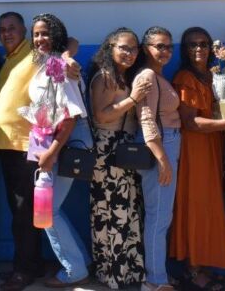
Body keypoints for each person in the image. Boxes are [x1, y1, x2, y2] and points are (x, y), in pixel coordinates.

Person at [22, 13, 93, 288]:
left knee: (46, 211)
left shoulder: (59, 66)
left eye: (45, 33)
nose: (39, 39)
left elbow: (72, 115)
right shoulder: (50, 62)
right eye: (36, 34)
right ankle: (81, 260)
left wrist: (52, 152)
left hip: (65, 144)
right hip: (53, 143)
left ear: (56, 36)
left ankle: (74, 270)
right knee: (50, 210)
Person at [170, 27, 225, 289]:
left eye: (204, 44)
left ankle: (204, 263)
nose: (199, 49)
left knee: (210, 207)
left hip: (213, 146)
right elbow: (190, 122)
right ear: (185, 50)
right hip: (195, 150)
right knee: (195, 207)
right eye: (193, 44)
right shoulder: (185, 77)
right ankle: (193, 269)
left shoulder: (215, 74)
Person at [0, 12, 45, 291]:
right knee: (21, 211)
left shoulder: (35, 55)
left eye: (12, 28)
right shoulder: (9, 60)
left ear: (25, 30)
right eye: (2, 29)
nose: (6, 32)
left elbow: (62, 50)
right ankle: (29, 264)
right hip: (8, 146)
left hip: (26, 146)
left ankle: (24, 271)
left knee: (24, 212)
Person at [87, 27, 145, 289]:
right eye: (124, 47)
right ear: (110, 47)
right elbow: (102, 116)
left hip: (125, 150)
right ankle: (111, 273)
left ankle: (128, 271)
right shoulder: (105, 77)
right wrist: (133, 99)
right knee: (110, 211)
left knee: (128, 209)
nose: (129, 53)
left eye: (134, 49)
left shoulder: (122, 76)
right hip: (108, 151)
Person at [134, 26, 181, 291]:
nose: (165, 51)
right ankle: (155, 281)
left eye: (168, 46)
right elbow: (146, 118)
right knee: (159, 216)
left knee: (161, 215)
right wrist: (162, 158)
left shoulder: (157, 75)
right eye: (159, 46)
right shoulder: (149, 75)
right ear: (146, 49)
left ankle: (157, 276)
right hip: (161, 146)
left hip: (168, 143)